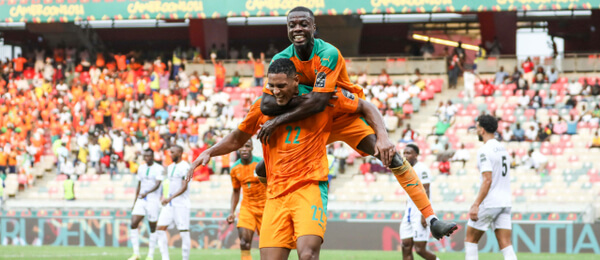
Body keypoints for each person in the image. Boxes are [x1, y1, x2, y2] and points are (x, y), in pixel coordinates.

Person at [187, 58, 450, 260]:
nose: (276, 92)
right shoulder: (261, 107)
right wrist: (209, 151)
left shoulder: (326, 98)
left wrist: (382, 136)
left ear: (295, 81)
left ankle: (432, 217)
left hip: (308, 187)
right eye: (272, 87)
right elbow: (236, 137)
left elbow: (364, 106)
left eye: (282, 86)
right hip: (277, 194)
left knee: (308, 254)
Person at [256, 6, 456, 240]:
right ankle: (269, 204)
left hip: (343, 115)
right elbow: (267, 105)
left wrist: (383, 137)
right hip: (310, 120)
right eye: (292, 25)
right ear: (287, 29)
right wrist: (308, 98)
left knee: (393, 157)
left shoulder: (328, 54)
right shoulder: (281, 60)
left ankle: (432, 219)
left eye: (303, 24)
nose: (298, 28)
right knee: (263, 169)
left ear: (313, 27)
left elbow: (340, 103)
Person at [465, 115, 516, 260]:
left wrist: (476, 204)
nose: (476, 131)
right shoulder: (503, 149)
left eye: (476, 128)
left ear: (482, 130)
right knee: (506, 245)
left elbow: (487, 180)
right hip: (505, 202)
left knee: (471, 240)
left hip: (491, 201)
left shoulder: (484, 150)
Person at [227, 140, 266, 260]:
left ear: (252, 148)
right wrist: (231, 212)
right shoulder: (234, 168)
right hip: (247, 207)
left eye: (247, 146)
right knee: (244, 242)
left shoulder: (260, 163)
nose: (244, 149)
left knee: (267, 245)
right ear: (238, 149)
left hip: (266, 207)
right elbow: (236, 191)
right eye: (241, 146)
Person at [400, 144, 439, 260]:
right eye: (404, 153)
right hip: (409, 211)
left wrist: (424, 213)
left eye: (409, 153)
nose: (406, 155)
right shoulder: (406, 169)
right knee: (405, 245)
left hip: (420, 211)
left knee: (419, 249)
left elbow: (426, 190)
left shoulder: (422, 169)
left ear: (416, 155)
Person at [128, 149, 165, 260]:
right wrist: (135, 201)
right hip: (141, 199)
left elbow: (158, 184)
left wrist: (147, 192)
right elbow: (139, 185)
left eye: (148, 156)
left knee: (152, 227)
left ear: (152, 156)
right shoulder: (141, 167)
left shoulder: (159, 168)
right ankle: (136, 253)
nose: (146, 158)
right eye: (145, 156)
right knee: (133, 223)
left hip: (153, 200)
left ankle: (150, 255)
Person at [156, 145, 191, 260]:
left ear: (180, 153)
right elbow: (168, 185)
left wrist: (169, 198)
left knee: (184, 232)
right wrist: (164, 196)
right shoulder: (170, 167)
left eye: (173, 152)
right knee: (160, 229)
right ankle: (165, 258)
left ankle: (185, 258)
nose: (171, 155)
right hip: (169, 204)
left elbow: (184, 187)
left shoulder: (185, 167)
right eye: (170, 152)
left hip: (181, 204)